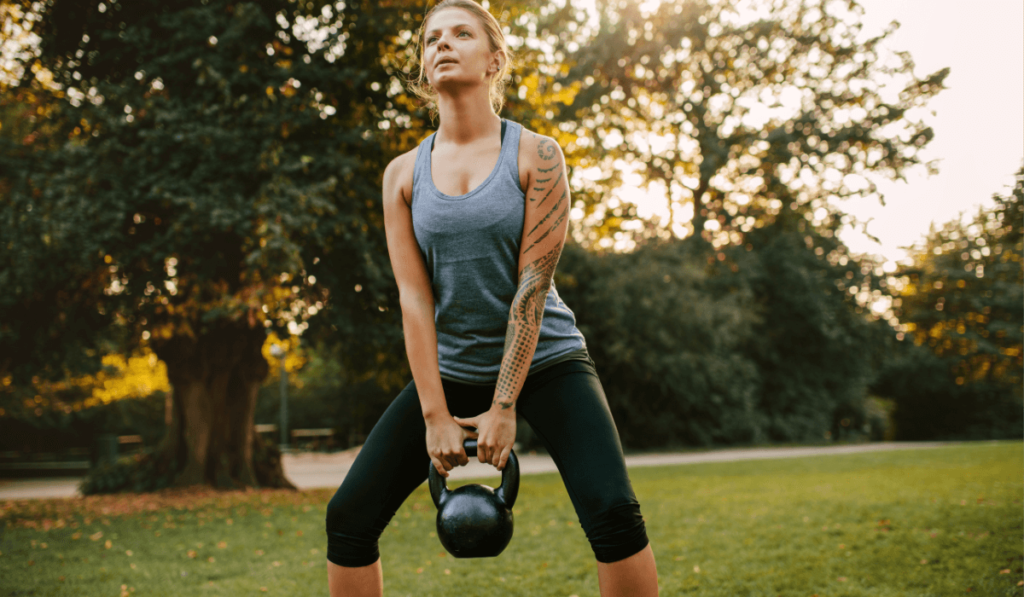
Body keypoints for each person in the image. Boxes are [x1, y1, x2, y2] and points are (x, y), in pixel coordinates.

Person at [324, 1, 659, 595]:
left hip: (547, 361)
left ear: (495, 60)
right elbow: (412, 298)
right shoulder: (402, 174)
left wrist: (505, 406)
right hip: (451, 370)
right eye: (431, 40)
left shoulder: (538, 156)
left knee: (612, 511)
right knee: (349, 518)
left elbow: (531, 291)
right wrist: (433, 417)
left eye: (460, 34)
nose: (442, 45)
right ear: (425, 68)